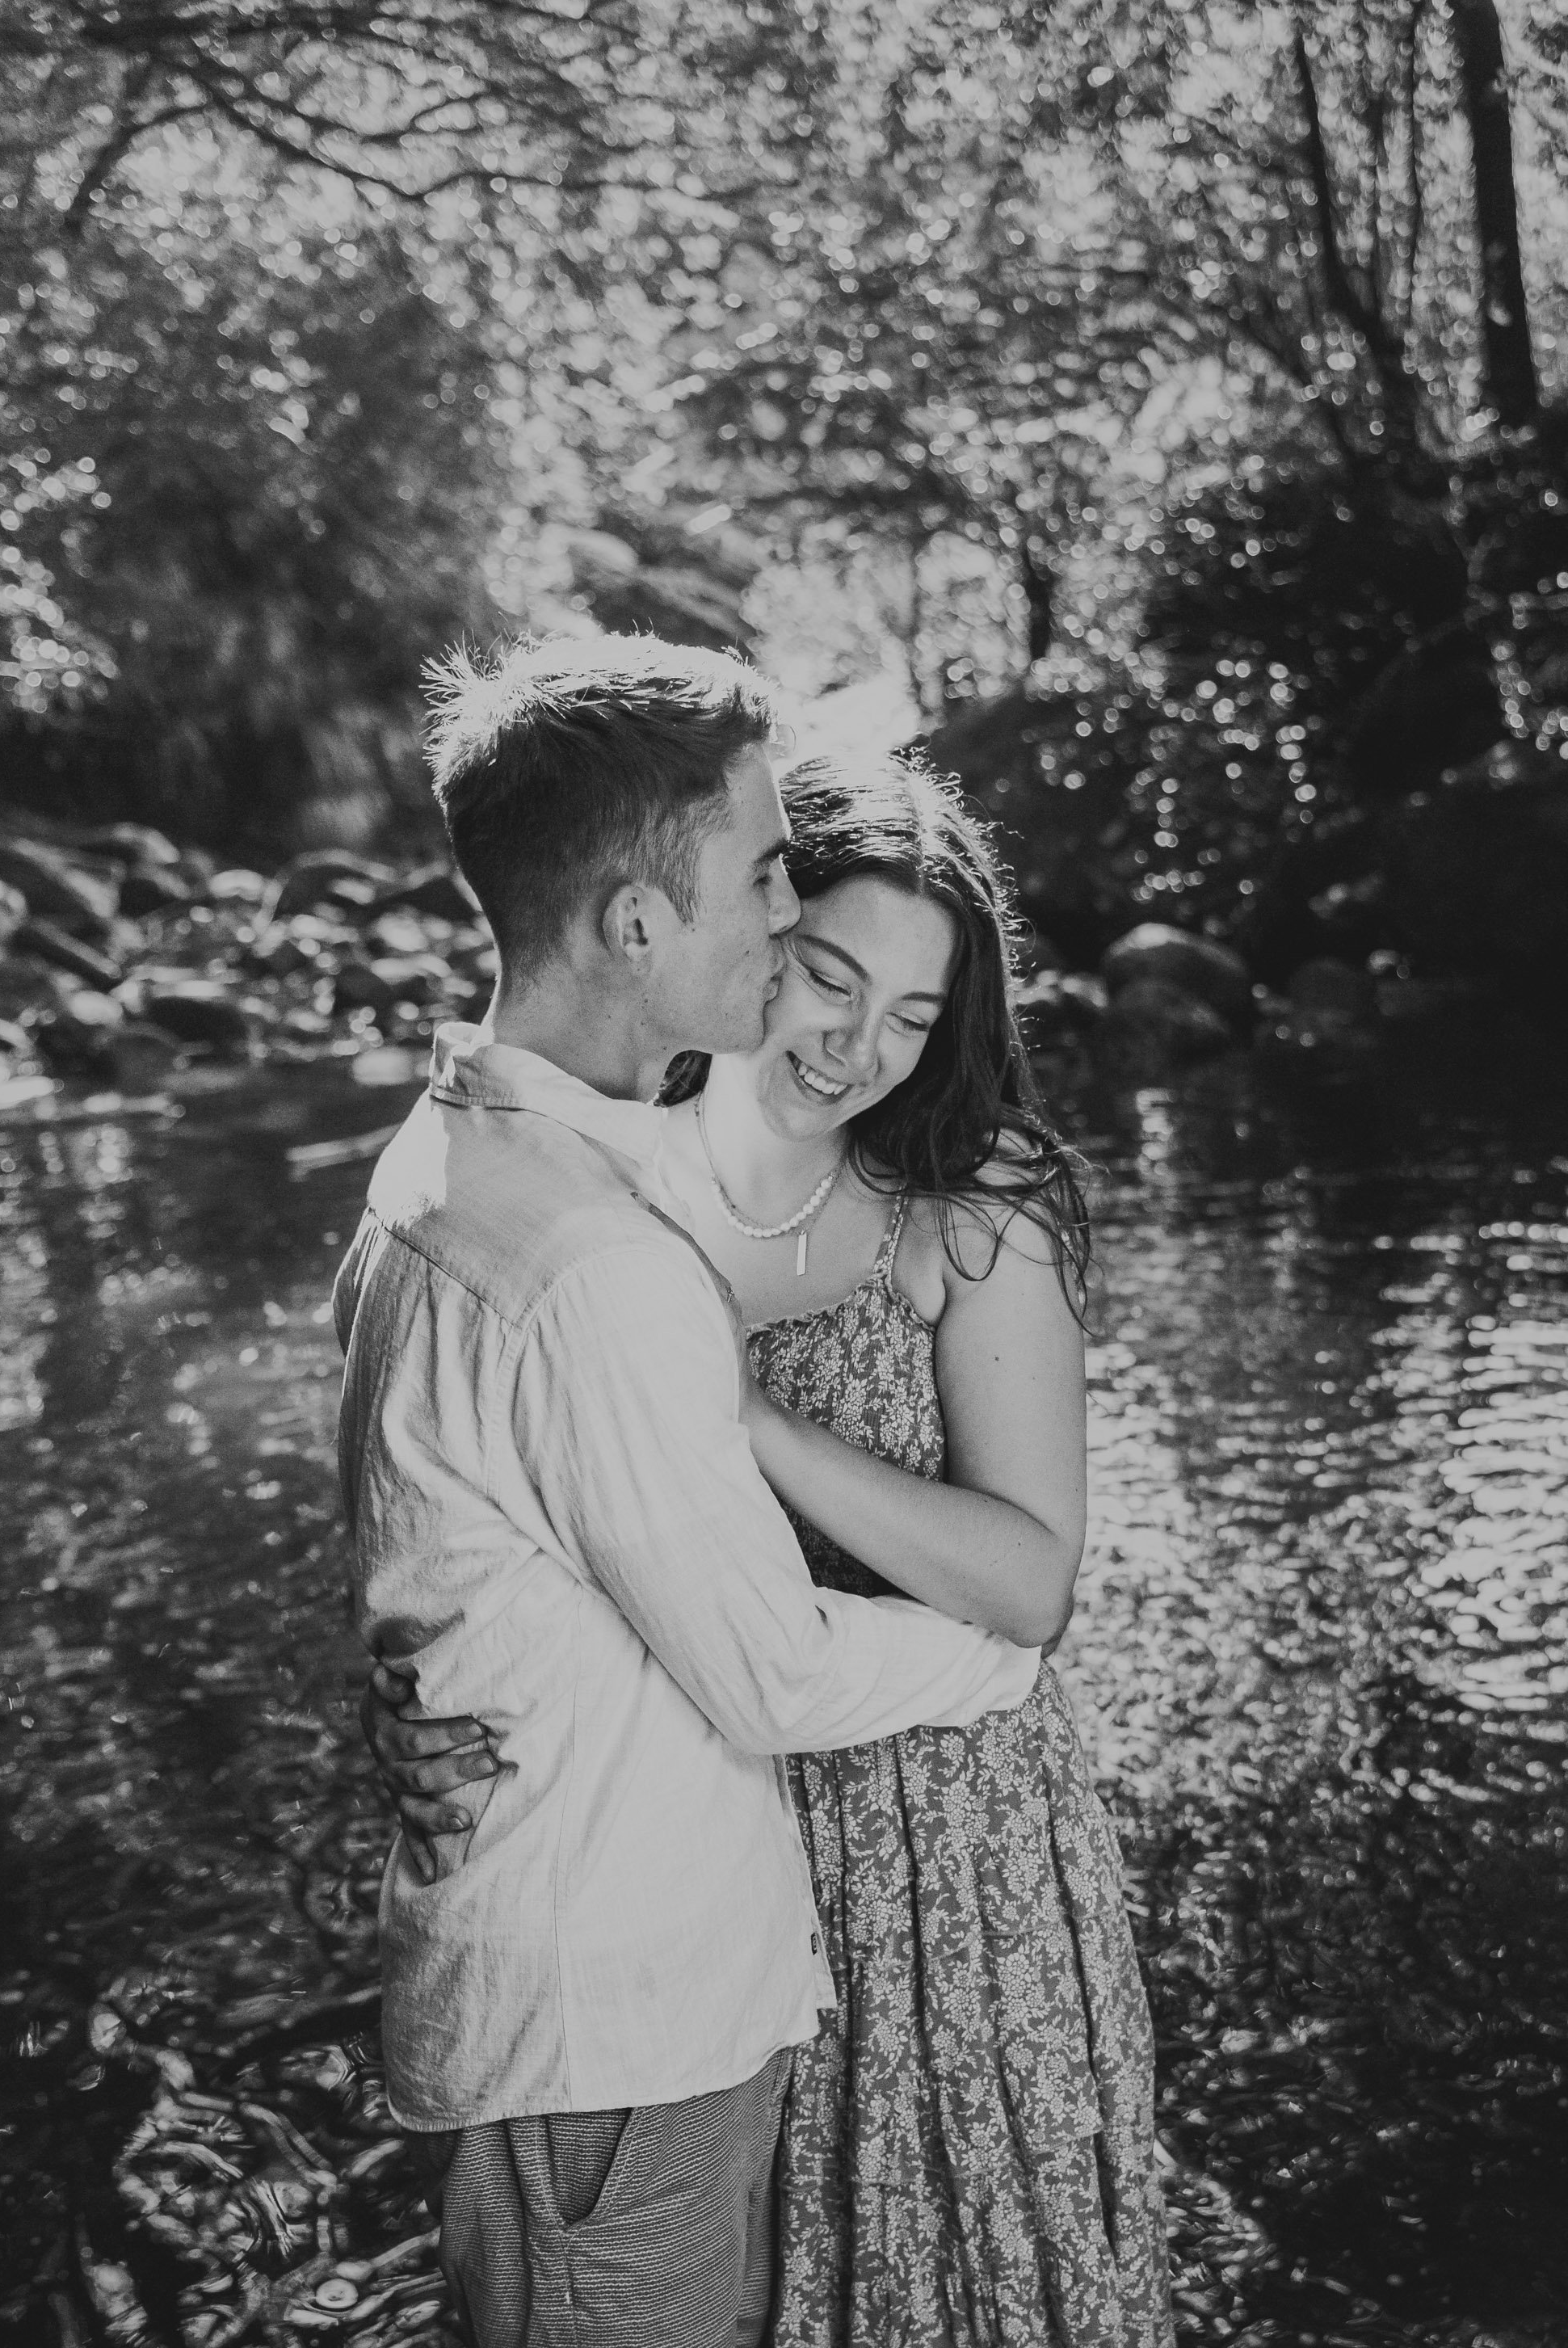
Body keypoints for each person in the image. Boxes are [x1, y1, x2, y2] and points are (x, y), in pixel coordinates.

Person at [370, 750, 1175, 2346]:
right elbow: (474, 1490)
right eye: (829, 979)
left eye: (913, 1017)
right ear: (753, 934)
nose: (857, 1050)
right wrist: (424, 1686)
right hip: (686, 1840)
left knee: (963, 2260)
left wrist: (755, 1420)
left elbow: (1032, 1580)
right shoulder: (600, 1196)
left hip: (942, 1831)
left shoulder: (968, 1210)